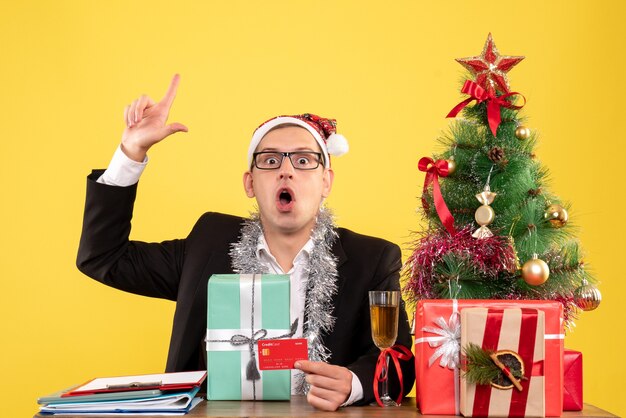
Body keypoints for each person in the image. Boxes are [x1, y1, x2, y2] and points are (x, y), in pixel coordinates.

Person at [77, 75, 414, 411]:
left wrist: (353, 384)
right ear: (250, 183)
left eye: (303, 160)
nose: (286, 171)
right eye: (270, 160)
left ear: (326, 181)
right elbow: (104, 257)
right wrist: (131, 152)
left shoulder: (372, 259)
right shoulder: (208, 244)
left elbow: (400, 359)